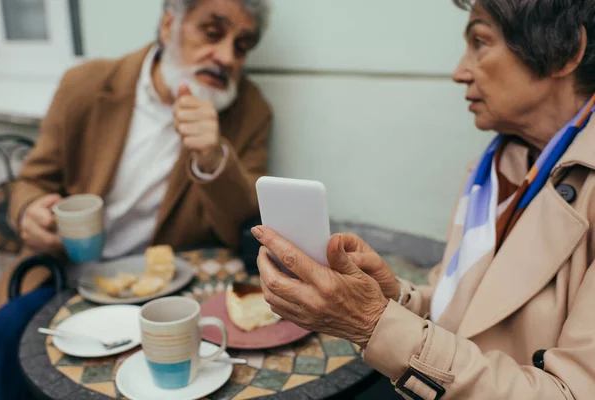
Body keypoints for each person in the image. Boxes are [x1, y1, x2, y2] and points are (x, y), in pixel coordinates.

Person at [253, 1, 595, 398]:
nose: (459, 72)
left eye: (480, 42)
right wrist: (393, 298)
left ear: (566, 50)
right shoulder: (497, 167)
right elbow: (466, 318)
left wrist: (373, 323)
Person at [0, 0, 272, 310]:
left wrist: (213, 158)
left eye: (241, 46)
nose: (226, 57)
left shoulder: (251, 113)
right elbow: (33, 180)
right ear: (169, 26)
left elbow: (243, 226)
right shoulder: (85, 85)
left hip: (162, 293)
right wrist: (29, 211)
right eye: (211, 33)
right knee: (6, 337)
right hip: (59, 276)